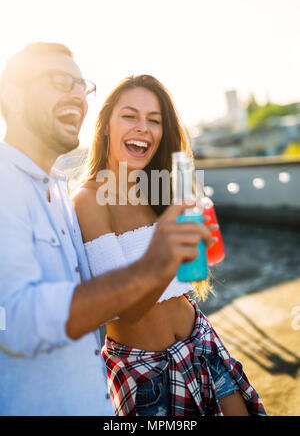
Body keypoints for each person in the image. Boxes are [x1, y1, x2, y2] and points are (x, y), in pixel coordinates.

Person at [0, 43, 211, 416]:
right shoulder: (10, 186)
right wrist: (152, 265)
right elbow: (14, 319)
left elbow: (90, 302)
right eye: (60, 80)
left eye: (83, 86)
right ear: (11, 96)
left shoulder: (56, 192)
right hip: (143, 377)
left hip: (189, 352)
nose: (78, 95)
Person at [73, 75, 267, 417]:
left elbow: (191, 273)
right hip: (147, 373)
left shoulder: (160, 189)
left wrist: (196, 245)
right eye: (130, 116)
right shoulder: (90, 200)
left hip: (202, 343)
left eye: (154, 120)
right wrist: (169, 248)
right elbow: (129, 308)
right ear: (105, 126)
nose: (143, 127)